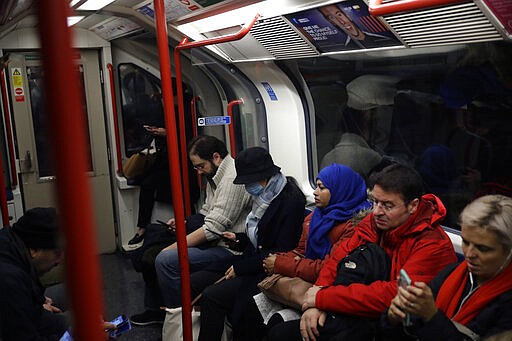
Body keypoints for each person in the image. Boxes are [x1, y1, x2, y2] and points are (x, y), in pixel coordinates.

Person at [268, 163, 458, 341]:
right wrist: (317, 298)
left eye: (387, 205)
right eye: (374, 202)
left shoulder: (433, 245)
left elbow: (395, 294)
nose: (376, 211)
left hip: (401, 327)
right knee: (279, 332)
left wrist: (324, 298)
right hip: (362, 312)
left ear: (413, 206)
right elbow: (339, 256)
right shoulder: (376, 223)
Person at [130, 135, 252, 325]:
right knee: (154, 233)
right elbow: (206, 212)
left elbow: (213, 227)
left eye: (200, 166)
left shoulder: (231, 179)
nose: (198, 171)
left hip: (229, 248)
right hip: (215, 240)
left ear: (216, 157)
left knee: (165, 259)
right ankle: (155, 308)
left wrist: (175, 247)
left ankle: (179, 317)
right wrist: (184, 223)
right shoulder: (215, 175)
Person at [191, 147, 307, 341]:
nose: (247, 187)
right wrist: (239, 239)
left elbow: (280, 250)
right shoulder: (263, 197)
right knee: (197, 280)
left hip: (269, 269)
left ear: (264, 177)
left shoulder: (289, 201)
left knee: (213, 296)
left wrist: (240, 267)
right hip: (252, 259)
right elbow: (260, 239)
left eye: (250, 182)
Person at [381, 194, 512, 340]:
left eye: (483, 249)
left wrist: (432, 317)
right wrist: (394, 318)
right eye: (466, 242)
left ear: (509, 250)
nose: (469, 254)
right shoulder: (452, 273)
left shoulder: (506, 302)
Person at [0, 207, 115, 340]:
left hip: (21, 316)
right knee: (87, 325)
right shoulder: (9, 281)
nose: (60, 261)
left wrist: (36, 302)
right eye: (57, 253)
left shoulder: (10, 240)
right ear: (34, 249)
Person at [263, 163, 372, 284]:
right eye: (316, 186)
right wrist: (276, 258)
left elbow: (329, 267)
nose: (315, 192)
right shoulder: (315, 217)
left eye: (322, 187)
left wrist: (280, 264)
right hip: (310, 271)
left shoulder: (356, 224)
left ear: (339, 190)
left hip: (332, 281)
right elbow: (301, 250)